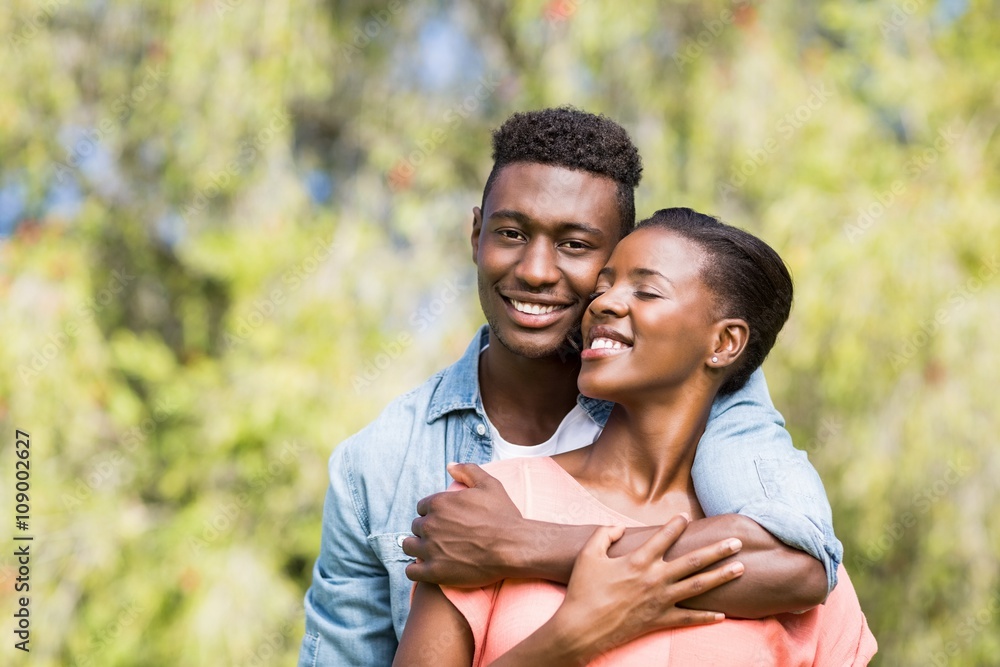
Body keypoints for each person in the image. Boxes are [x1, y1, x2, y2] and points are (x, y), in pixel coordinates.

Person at [299, 108, 841, 666]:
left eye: (576, 244)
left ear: (624, 256)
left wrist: (520, 543)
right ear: (476, 234)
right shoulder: (380, 465)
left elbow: (800, 561)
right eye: (510, 233)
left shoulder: (718, 407)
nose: (535, 269)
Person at [394, 208, 877, 665]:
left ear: (724, 343)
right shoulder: (488, 508)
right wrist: (570, 639)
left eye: (646, 292)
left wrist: (529, 547)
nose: (603, 302)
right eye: (603, 285)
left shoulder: (789, 546)